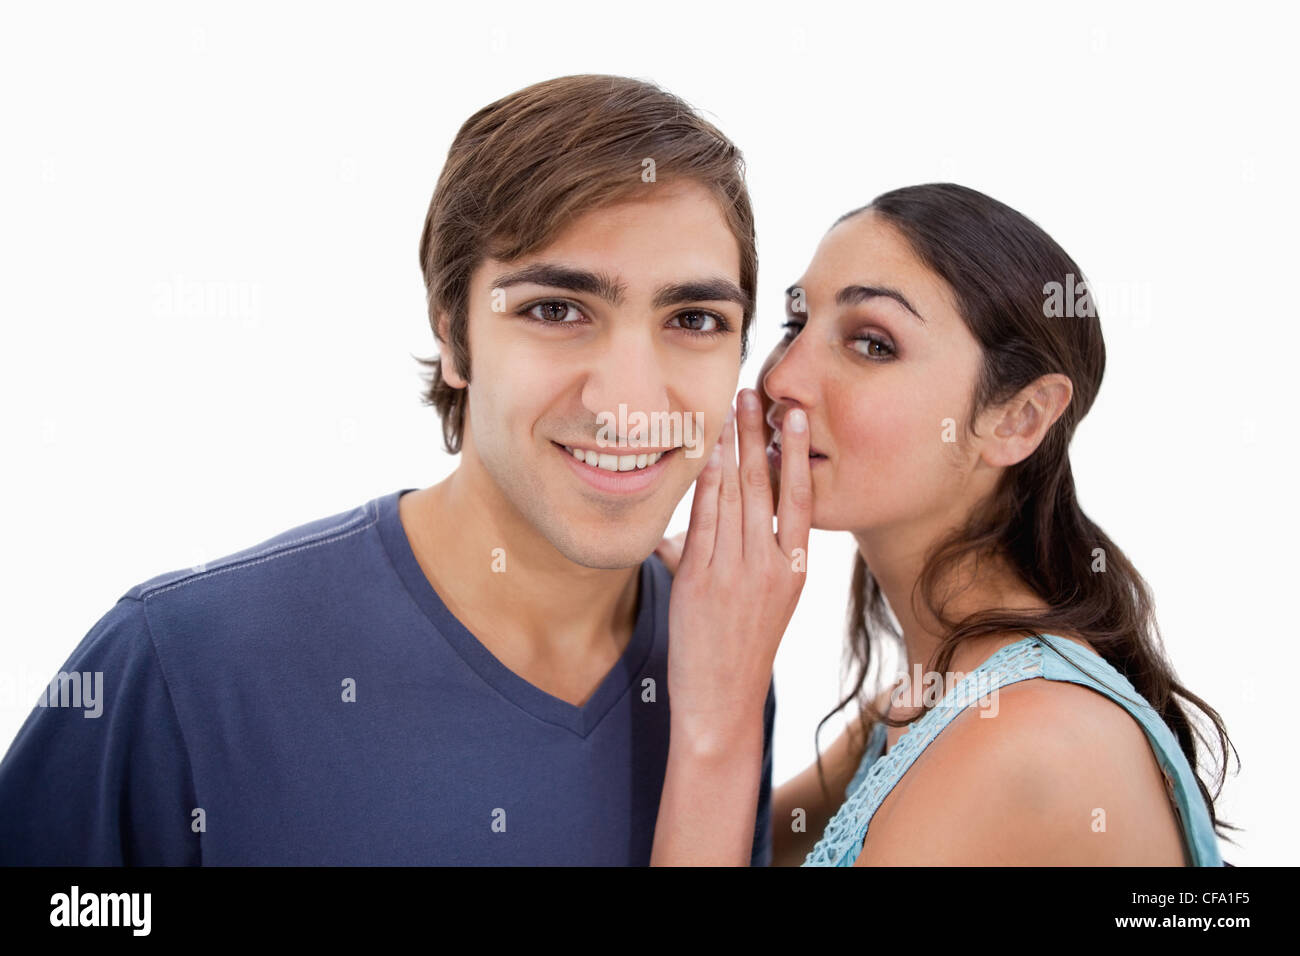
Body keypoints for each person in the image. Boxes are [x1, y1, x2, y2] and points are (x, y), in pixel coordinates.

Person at [0, 74, 776, 865]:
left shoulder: (721, 658)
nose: (630, 400)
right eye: (555, 310)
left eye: (693, 320)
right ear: (453, 332)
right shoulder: (181, 663)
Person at [651, 183, 1238, 866]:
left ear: (1018, 418)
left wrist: (721, 709)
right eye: (794, 324)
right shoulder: (914, 707)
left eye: (871, 344)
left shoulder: (1023, 738)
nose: (782, 379)